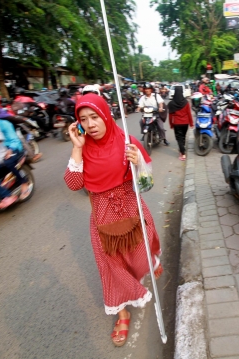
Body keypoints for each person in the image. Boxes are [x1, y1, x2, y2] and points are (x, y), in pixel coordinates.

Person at [63, 94, 163, 347]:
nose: (91, 124)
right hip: (103, 221)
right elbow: (74, 184)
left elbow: (147, 185)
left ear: (106, 115)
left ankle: (150, 262)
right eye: (83, 119)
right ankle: (122, 313)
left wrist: (138, 164)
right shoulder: (83, 149)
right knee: (112, 268)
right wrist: (76, 147)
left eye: (95, 117)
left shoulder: (129, 143)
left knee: (140, 260)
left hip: (133, 213)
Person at [0, 108, 32, 200]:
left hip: (12, 148)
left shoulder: (4, 124)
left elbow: (14, 140)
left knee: (8, 161)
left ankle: (23, 182)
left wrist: (10, 149)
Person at [168, 86, 193, 161]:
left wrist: (171, 124)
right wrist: (191, 123)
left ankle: (183, 153)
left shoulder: (172, 103)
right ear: (182, 92)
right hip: (185, 123)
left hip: (177, 123)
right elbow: (189, 113)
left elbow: (170, 116)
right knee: (183, 137)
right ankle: (182, 149)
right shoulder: (186, 102)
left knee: (179, 138)